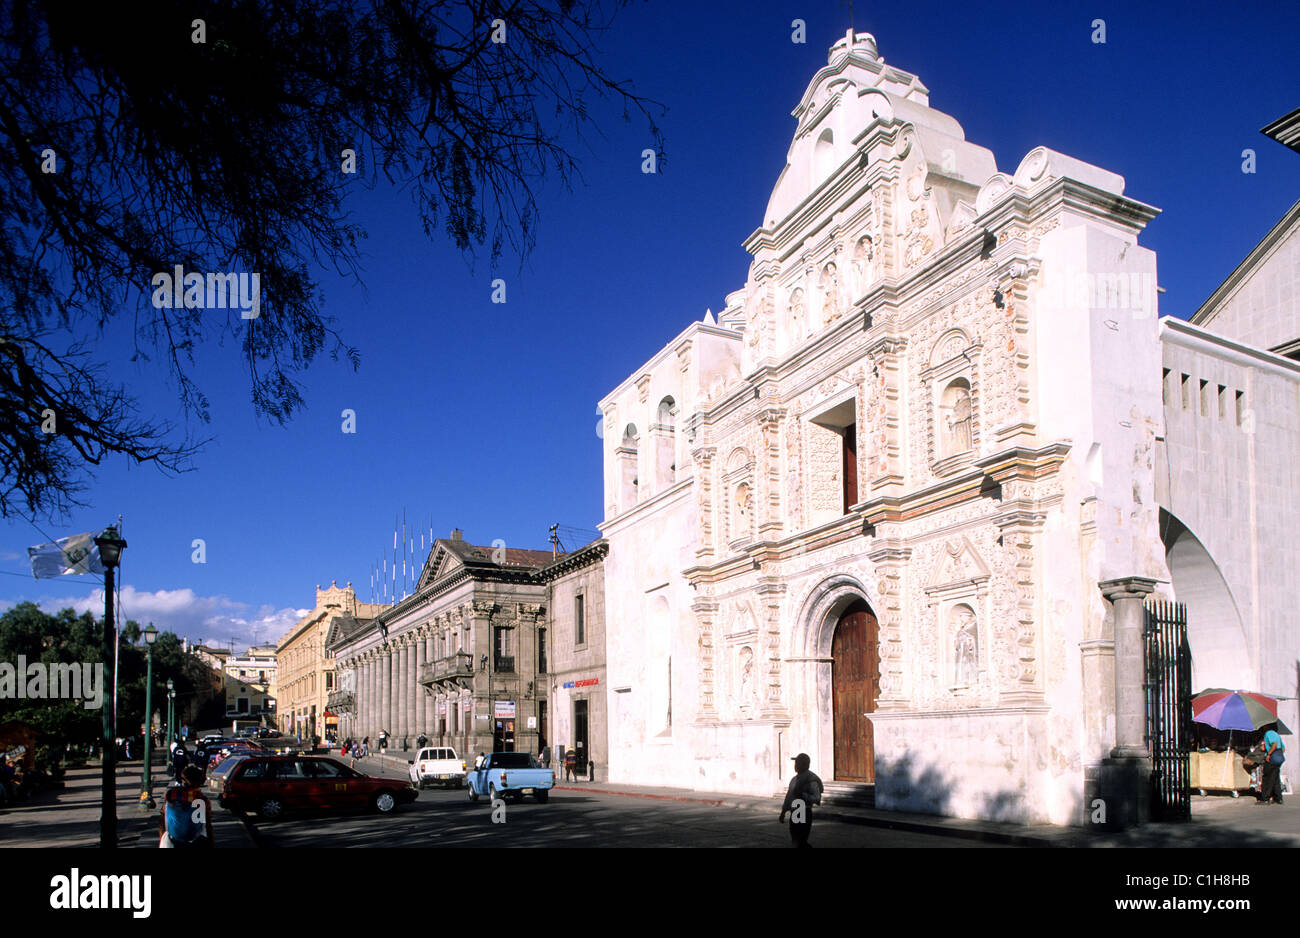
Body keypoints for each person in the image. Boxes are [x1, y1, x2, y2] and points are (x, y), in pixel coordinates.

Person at [159, 765, 214, 848]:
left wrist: (162, 838)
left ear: (183, 779)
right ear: (199, 781)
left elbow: (162, 820)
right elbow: (208, 826)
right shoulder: (202, 799)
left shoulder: (171, 795)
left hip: (172, 841)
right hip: (195, 841)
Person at [778, 753, 823, 848]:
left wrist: (803, 795)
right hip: (795, 811)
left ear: (806, 765)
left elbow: (817, 797)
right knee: (795, 839)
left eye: (798, 763)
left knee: (800, 841)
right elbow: (789, 796)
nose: (795, 766)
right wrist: (783, 811)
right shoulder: (794, 779)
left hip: (804, 811)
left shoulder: (811, 779)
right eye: (796, 763)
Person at [1259, 723, 1286, 805]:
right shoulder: (1276, 734)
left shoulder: (1269, 733)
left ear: (1267, 726)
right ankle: (1278, 798)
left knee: (1267, 778)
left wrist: (1269, 754)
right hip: (1279, 758)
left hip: (1272, 759)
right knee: (1275, 778)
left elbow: (1274, 744)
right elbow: (1283, 748)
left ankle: (1265, 798)